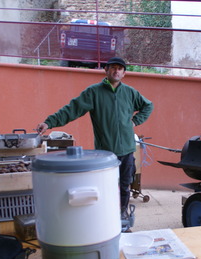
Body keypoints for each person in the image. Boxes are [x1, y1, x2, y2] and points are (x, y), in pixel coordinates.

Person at [36, 56, 154, 224]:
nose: (116, 71)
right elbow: (72, 109)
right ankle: (106, 220)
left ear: (124, 73)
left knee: (125, 186)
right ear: (106, 70)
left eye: (119, 68)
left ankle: (123, 219)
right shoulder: (93, 93)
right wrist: (49, 122)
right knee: (106, 188)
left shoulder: (130, 93)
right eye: (112, 67)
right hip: (105, 153)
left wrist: (135, 121)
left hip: (127, 150)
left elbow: (148, 105)